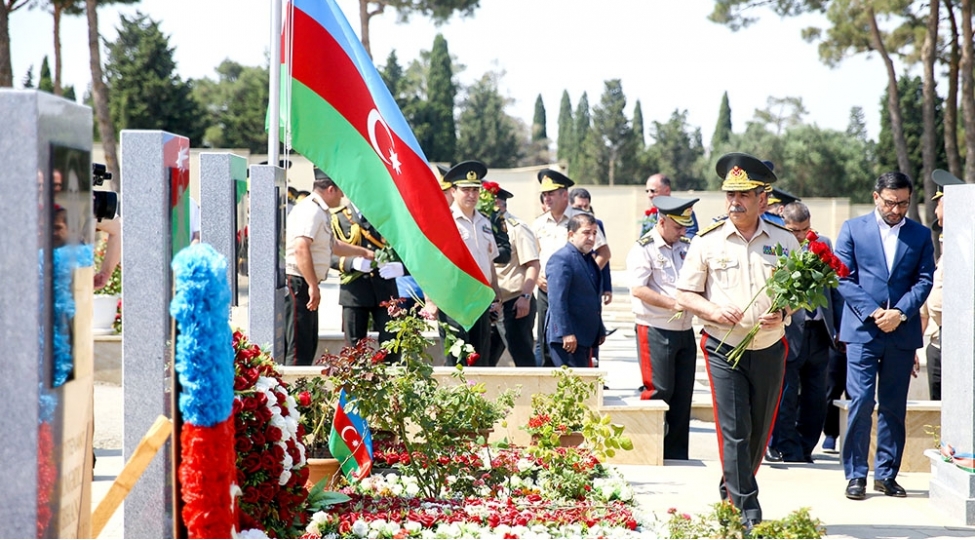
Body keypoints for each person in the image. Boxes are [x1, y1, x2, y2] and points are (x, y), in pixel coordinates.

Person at [675, 152, 800, 528]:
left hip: (768, 347)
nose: (734, 201)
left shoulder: (784, 241)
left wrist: (784, 312)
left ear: (763, 199)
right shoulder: (706, 242)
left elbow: (796, 294)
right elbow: (685, 294)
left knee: (758, 433)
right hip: (722, 347)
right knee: (735, 430)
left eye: (743, 195)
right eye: (729, 194)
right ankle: (746, 509)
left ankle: (731, 485)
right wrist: (712, 312)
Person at [834, 171, 934, 501]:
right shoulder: (853, 229)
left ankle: (887, 474)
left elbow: (923, 280)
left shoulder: (919, 235)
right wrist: (876, 313)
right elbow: (843, 277)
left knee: (893, 407)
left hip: (901, 333)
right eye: (891, 203)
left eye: (903, 203)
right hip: (863, 330)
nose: (897, 210)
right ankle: (856, 475)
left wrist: (900, 313)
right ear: (876, 197)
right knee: (861, 401)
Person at [766, 201, 843, 464]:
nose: (800, 235)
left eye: (804, 229)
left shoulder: (823, 243)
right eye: (794, 230)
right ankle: (786, 448)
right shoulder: (775, 246)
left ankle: (806, 446)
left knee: (816, 395)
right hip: (788, 329)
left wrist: (839, 328)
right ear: (782, 223)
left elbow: (834, 289)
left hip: (820, 330)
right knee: (786, 393)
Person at [626, 195, 698, 460]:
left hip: (685, 329)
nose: (682, 232)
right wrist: (672, 304)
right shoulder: (644, 248)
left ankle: (676, 454)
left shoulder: (687, 246)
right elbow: (638, 289)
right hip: (655, 328)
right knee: (659, 391)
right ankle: (648, 450)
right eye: (678, 226)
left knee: (682, 395)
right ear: (662, 220)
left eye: (685, 227)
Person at [283, 169, 373, 366]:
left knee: (308, 343)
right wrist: (312, 285)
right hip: (300, 282)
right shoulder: (310, 210)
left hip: (306, 282)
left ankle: (300, 394)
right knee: (298, 349)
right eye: (341, 191)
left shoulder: (320, 210)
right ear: (331, 189)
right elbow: (301, 247)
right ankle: (293, 394)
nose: (342, 196)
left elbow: (332, 245)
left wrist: (363, 252)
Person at [532, 169, 610, 367]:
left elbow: (604, 253)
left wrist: (584, 278)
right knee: (546, 342)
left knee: (577, 341)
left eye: (551, 193)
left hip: (575, 291)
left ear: (564, 194)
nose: (547, 198)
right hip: (545, 289)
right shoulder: (539, 223)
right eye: (545, 194)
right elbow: (534, 257)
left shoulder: (581, 220)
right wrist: (537, 278)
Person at [428, 160, 500, 366]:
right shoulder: (444, 222)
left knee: (480, 357)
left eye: (475, 190)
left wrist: (497, 295)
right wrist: (430, 300)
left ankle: (478, 399)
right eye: (465, 189)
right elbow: (430, 264)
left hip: (480, 298)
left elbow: (490, 262)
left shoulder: (485, 222)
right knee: (457, 358)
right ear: (453, 191)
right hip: (453, 299)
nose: (471, 195)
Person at [329, 200, 404, 350]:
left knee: (392, 343)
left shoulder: (388, 216)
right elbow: (325, 253)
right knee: (354, 347)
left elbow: (407, 248)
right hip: (354, 292)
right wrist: (351, 263)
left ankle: (389, 374)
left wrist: (402, 267)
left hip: (385, 290)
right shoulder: (338, 218)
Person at [545, 213, 606, 368]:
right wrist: (566, 333)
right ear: (571, 235)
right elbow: (557, 300)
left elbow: (591, 298)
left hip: (585, 337)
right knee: (571, 389)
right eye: (586, 233)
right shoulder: (561, 259)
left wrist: (599, 327)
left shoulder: (588, 259)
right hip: (567, 339)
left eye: (594, 233)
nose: (591, 238)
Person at [920, 169, 960, 400]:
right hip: (937, 340)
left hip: (957, 339)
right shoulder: (944, 254)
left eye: (939, 204)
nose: (935, 211)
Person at [490, 187, 540, 367]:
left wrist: (525, 297)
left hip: (515, 302)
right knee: (484, 360)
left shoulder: (517, 227)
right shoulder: (483, 227)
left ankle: (533, 395)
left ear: (499, 203)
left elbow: (533, 265)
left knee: (522, 357)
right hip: (491, 304)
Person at [641, 173, 699, 238]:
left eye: (653, 191)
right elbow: (643, 238)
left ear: (667, 190)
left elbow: (691, 236)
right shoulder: (649, 215)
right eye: (647, 191)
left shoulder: (682, 210)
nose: (650, 195)